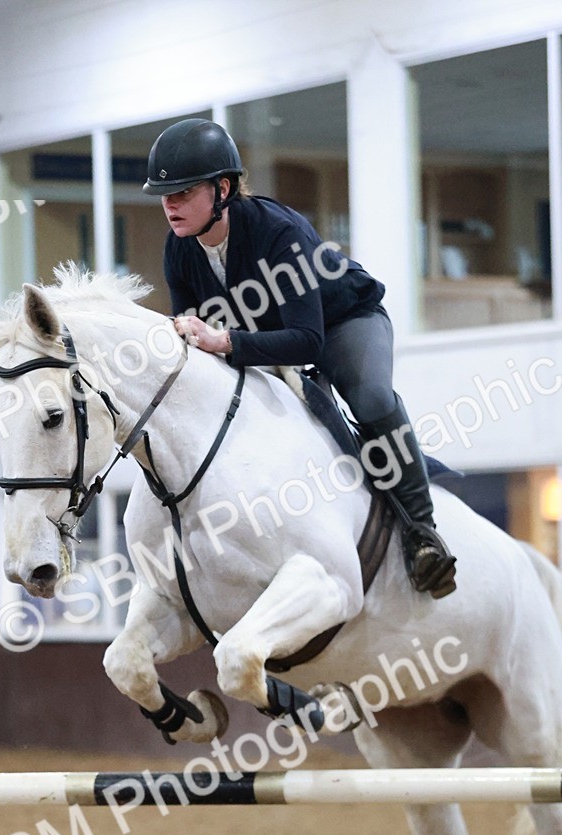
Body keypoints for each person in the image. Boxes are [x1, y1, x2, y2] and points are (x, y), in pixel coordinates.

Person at [143, 118, 457, 599]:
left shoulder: (278, 232)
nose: (170, 204)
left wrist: (225, 342)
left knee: (370, 398)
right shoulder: (178, 249)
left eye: (183, 192)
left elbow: (308, 341)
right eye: (165, 194)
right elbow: (193, 335)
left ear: (223, 189)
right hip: (268, 338)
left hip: (342, 323)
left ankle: (423, 534)